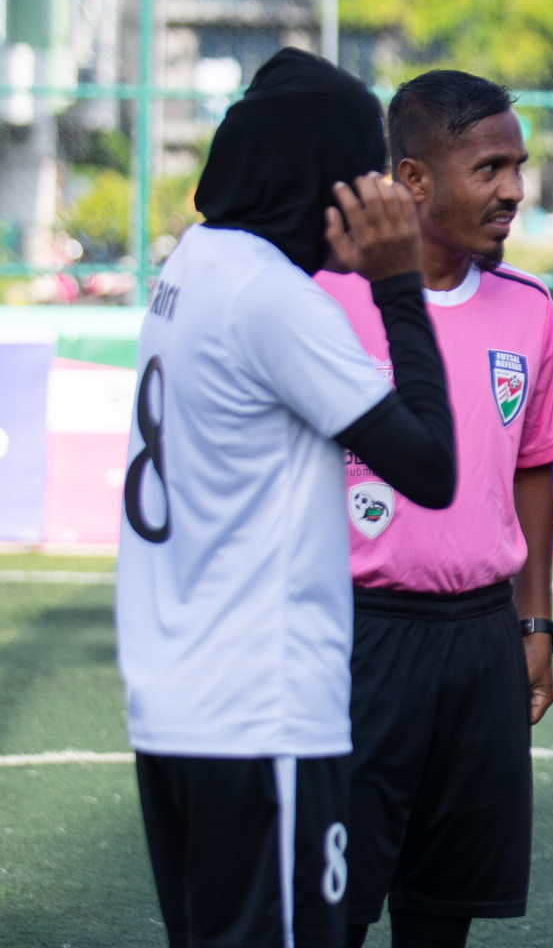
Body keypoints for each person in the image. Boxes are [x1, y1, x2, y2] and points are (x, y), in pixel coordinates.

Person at [115, 48, 456, 948]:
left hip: (179, 707)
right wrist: (397, 282)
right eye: (362, 173)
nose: (374, 196)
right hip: (260, 717)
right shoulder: (271, 300)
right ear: (319, 179)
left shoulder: (201, 258)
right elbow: (430, 468)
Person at [314, 71, 553, 948]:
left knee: (443, 914)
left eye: (519, 167)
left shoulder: (530, 306)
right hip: (357, 637)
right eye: (490, 168)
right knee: (332, 910)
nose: (512, 191)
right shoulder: (325, 298)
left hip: (479, 644)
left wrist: (534, 619)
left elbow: (536, 468)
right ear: (415, 180)